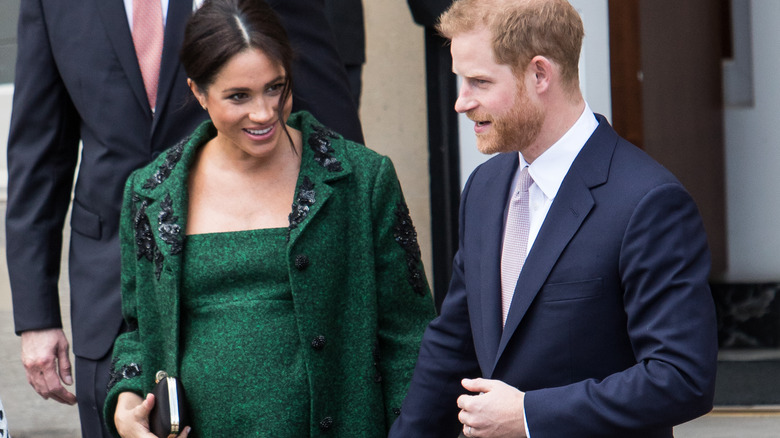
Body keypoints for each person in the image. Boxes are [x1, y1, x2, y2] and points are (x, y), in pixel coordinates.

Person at [6, 0, 362, 436]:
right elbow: (38, 154)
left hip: (244, 297)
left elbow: (331, 134)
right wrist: (37, 316)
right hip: (106, 289)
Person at [102, 0, 436, 436]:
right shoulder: (149, 192)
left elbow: (409, 335)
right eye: (238, 96)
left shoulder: (361, 179)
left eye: (275, 87)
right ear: (199, 92)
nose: (264, 113)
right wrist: (126, 403)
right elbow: (139, 331)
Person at [389, 0, 719, 437]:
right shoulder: (485, 188)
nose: (461, 103)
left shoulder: (648, 202)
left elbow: (682, 377)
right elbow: (454, 343)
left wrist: (529, 415)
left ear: (540, 74)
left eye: (479, 82)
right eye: (460, 82)